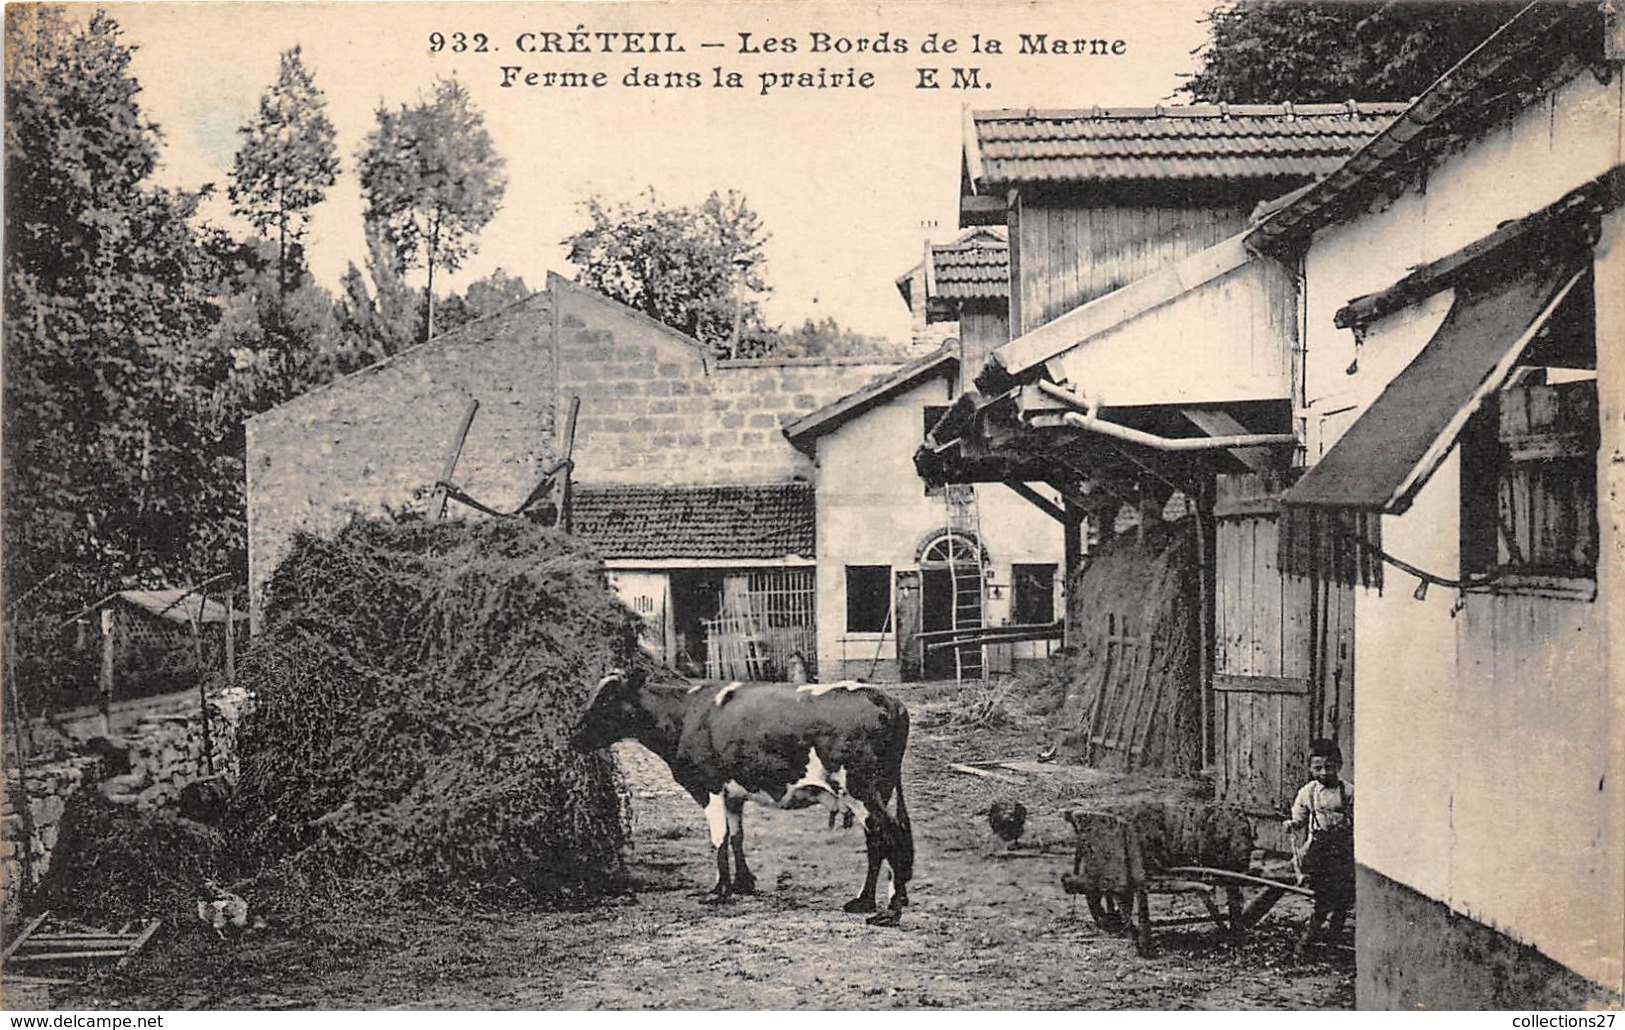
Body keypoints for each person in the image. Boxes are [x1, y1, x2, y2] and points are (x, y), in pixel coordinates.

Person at [1283, 738, 1354, 958]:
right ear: (1310, 768)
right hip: (1320, 849)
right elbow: (1300, 815)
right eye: (1318, 768)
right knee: (1323, 898)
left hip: (1342, 849)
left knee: (1343, 898)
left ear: (1339, 765)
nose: (1324, 772)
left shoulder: (1349, 792)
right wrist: (1293, 823)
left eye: (1329, 767)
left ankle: (1334, 939)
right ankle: (1305, 943)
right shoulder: (1308, 792)